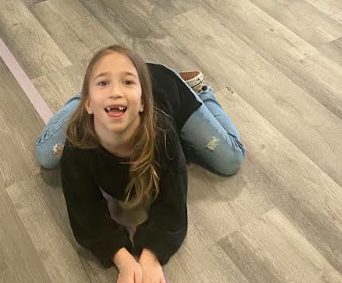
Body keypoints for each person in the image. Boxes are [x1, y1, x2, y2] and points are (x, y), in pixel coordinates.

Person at [35, 45, 245, 283]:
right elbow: (85, 213)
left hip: (166, 87)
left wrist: (152, 254)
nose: (115, 91)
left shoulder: (162, 135)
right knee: (46, 155)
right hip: (106, 104)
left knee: (231, 159)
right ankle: (93, 93)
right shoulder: (78, 144)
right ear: (89, 104)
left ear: (144, 102)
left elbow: (172, 202)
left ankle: (201, 92)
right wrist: (122, 259)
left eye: (127, 82)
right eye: (104, 83)